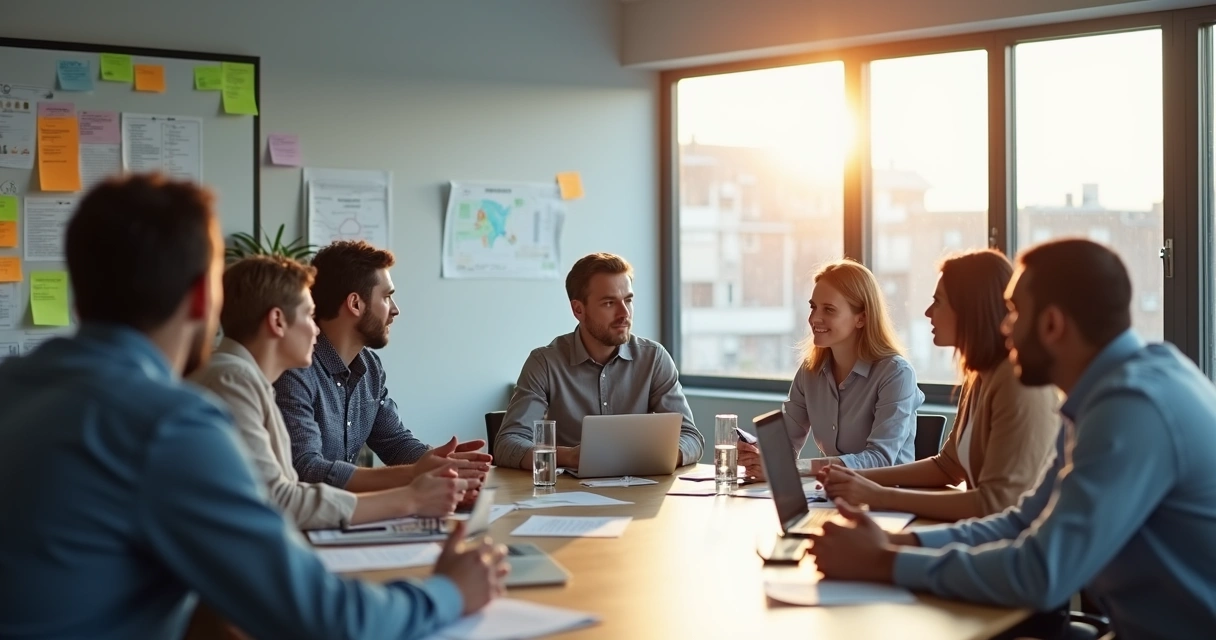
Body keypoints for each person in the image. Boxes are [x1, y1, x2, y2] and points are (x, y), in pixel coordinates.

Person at [0, 175, 508, 640]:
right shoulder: (169, 423)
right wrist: (449, 591)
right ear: (205, 299)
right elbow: (326, 620)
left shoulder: (15, 385)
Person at [806, 239, 1216, 639]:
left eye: (1015, 312)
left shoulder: (1131, 407)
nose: (1004, 327)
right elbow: (1021, 520)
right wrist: (894, 542)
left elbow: (1041, 574)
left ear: (1052, 324)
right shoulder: (1105, 394)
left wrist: (884, 562)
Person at [191, 256, 467, 529]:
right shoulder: (233, 380)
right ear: (277, 321)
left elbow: (284, 490)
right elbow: (281, 499)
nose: (316, 328)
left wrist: (436, 469)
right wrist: (411, 497)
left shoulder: (246, 379)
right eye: (309, 316)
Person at [818, 250, 1059, 521]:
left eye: (938, 301)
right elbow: (948, 466)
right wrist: (855, 478)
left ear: (969, 309)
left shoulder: (1017, 383)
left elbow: (996, 504)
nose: (928, 312)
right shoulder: (979, 376)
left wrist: (877, 495)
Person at [275, 240, 491, 494]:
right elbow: (306, 469)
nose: (396, 310)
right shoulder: (296, 371)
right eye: (387, 297)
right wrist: (414, 474)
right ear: (355, 304)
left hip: (346, 517)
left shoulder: (370, 367)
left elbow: (395, 442)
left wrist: (439, 464)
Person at [494, 252, 704, 470]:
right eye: (609, 303)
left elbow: (691, 438)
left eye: (628, 300)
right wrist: (572, 457)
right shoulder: (545, 363)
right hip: (567, 496)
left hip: (639, 494)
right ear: (578, 310)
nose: (624, 313)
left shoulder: (654, 358)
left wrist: (651, 456)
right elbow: (507, 445)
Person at [739, 259, 923, 479]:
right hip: (833, 496)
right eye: (813, 306)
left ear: (862, 318)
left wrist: (791, 468)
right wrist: (759, 455)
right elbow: (786, 442)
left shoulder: (896, 374)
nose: (814, 318)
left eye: (829, 309)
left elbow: (879, 460)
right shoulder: (810, 371)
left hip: (888, 502)